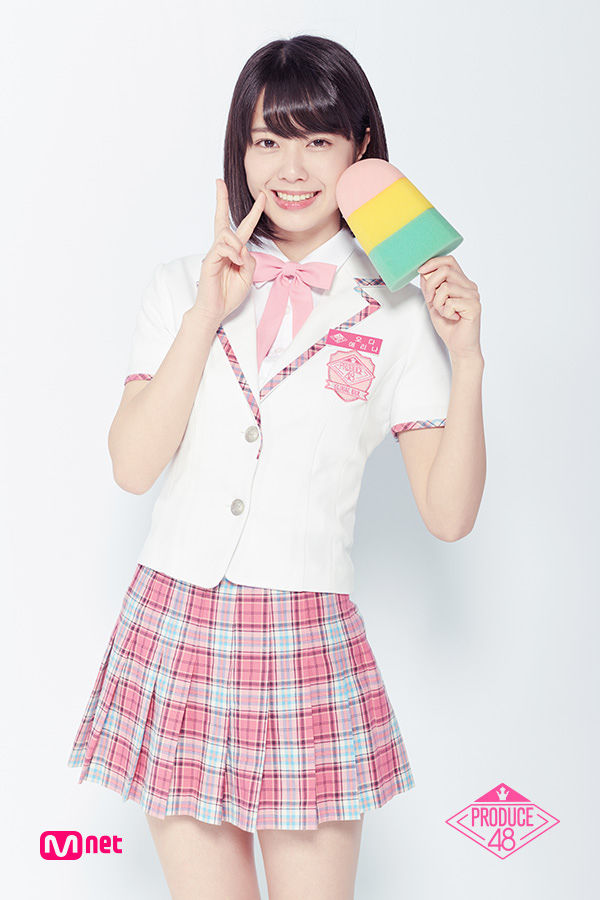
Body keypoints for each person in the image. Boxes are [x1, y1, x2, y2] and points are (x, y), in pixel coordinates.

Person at [67, 33, 486, 900]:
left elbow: (448, 517)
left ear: (361, 149)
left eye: (317, 141)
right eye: (266, 141)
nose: (290, 170)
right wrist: (205, 315)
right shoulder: (179, 285)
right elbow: (132, 466)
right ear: (240, 149)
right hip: (175, 625)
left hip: (303, 636)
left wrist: (468, 359)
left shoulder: (400, 312)